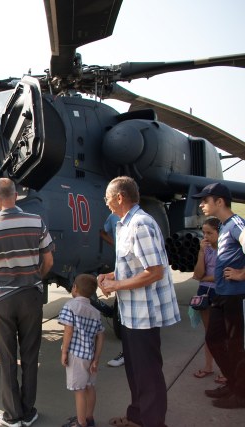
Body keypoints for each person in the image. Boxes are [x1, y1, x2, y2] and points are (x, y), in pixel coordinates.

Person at [97, 176, 180, 427]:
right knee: (135, 371)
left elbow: (154, 271)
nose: (106, 202)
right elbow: (133, 265)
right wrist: (111, 276)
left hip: (144, 314)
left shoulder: (141, 224)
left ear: (119, 197)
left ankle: (153, 422)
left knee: (148, 374)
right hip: (131, 313)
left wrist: (115, 286)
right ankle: (137, 417)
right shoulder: (124, 225)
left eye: (107, 198)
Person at [0, 178, 54, 427]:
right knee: (30, 355)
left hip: (3, 299)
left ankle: (12, 415)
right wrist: (35, 278)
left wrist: (0, 277)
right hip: (31, 296)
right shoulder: (36, 221)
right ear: (16, 195)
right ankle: (28, 412)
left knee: (7, 358)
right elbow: (49, 261)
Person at [191, 182, 245, 409]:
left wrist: (242, 273)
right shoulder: (224, 227)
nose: (201, 205)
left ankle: (241, 394)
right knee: (213, 340)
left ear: (220, 202)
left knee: (235, 346)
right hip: (221, 295)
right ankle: (233, 384)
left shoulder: (236, 224)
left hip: (235, 296)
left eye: (205, 200)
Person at [58, 274, 104, 427]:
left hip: (76, 355)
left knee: (79, 391)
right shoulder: (95, 312)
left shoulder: (70, 306)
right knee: (90, 387)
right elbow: (100, 336)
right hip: (90, 355)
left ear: (75, 288)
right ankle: (89, 418)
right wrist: (96, 358)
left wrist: (64, 352)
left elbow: (68, 330)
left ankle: (81, 423)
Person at [191, 217, 224, 382]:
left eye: (210, 233)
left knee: (221, 332)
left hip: (219, 291)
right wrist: (201, 252)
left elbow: (222, 275)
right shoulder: (206, 249)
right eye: (204, 233)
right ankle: (208, 366)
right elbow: (197, 274)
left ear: (220, 233)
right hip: (204, 291)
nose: (206, 236)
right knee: (209, 332)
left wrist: (204, 277)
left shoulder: (225, 250)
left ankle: (225, 369)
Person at [100, 213, 125, 368]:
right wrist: (116, 244)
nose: (107, 204)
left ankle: (129, 352)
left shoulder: (141, 221)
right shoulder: (112, 217)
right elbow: (103, 232)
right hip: (121, 261)